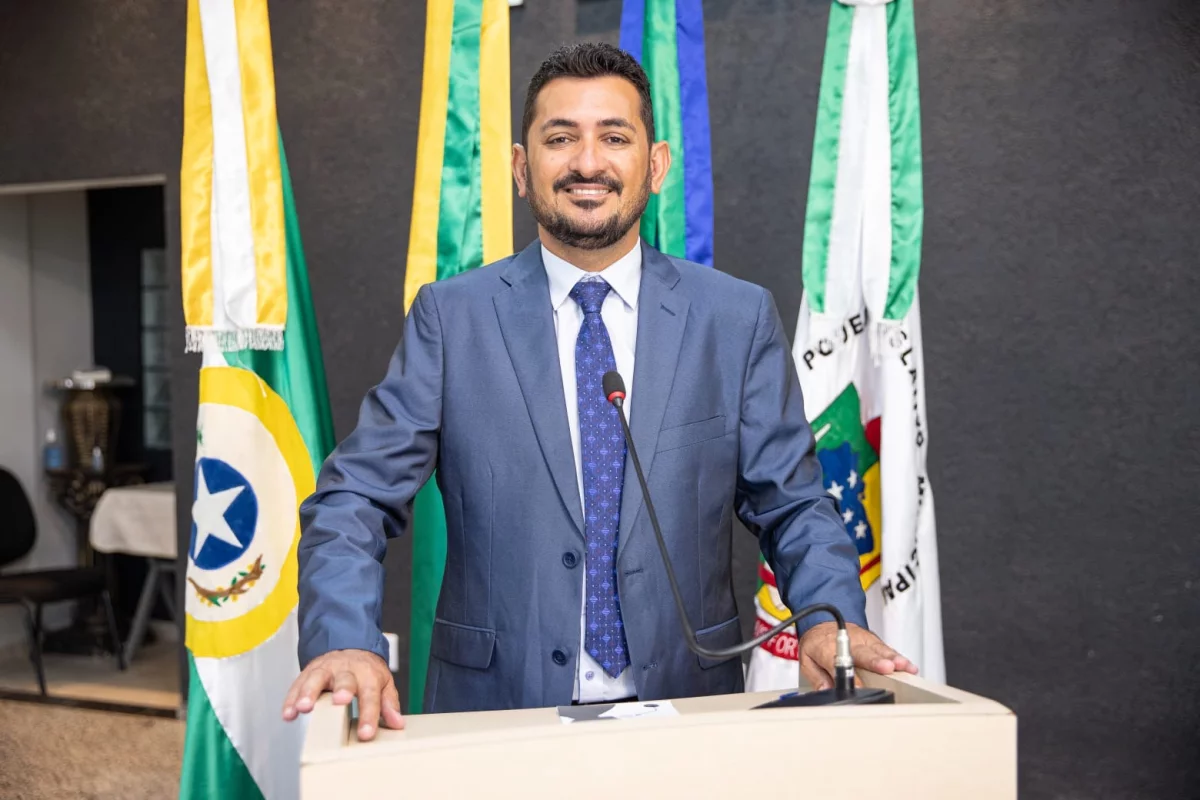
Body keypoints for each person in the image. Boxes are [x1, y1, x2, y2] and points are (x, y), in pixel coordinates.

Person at [282, 42, 916, 742]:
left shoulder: (734, 320)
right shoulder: (452, 318)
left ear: (656, 165)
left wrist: (830, 620)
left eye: (614, 137)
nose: (588, 163)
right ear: (521, 168)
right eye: (560, 138)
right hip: (497, 718)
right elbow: (355, 496)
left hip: (685, 716)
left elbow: (792, 504)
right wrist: (346, 639)